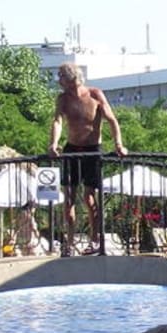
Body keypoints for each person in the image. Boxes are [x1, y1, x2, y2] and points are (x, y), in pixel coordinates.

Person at [48, 63, 127, 255]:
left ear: (72, 78)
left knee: (89, 197)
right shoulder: (63, 99)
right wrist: (53, 143)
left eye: (61, 76)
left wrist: (118, 144)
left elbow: (112, 120)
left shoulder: (95, 94)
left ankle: (95, 240)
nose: (59, 80)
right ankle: (69, 243)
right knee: (69, 199)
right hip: (71, 150)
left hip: (92, 150)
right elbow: (58, 121)